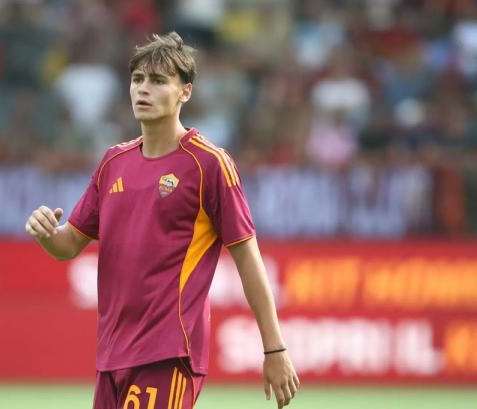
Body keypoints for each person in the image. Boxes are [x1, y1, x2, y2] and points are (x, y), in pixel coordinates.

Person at [25, 32, 299, 409]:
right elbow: (68, 244)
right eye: (137, 79)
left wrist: (274, 349)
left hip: (168, 353)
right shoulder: (113, 162)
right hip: (111, 355)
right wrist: (46, 233)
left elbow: (248, 258)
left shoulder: (209, 164)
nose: (143, 89)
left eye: (157, 81)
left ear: (185, 92)